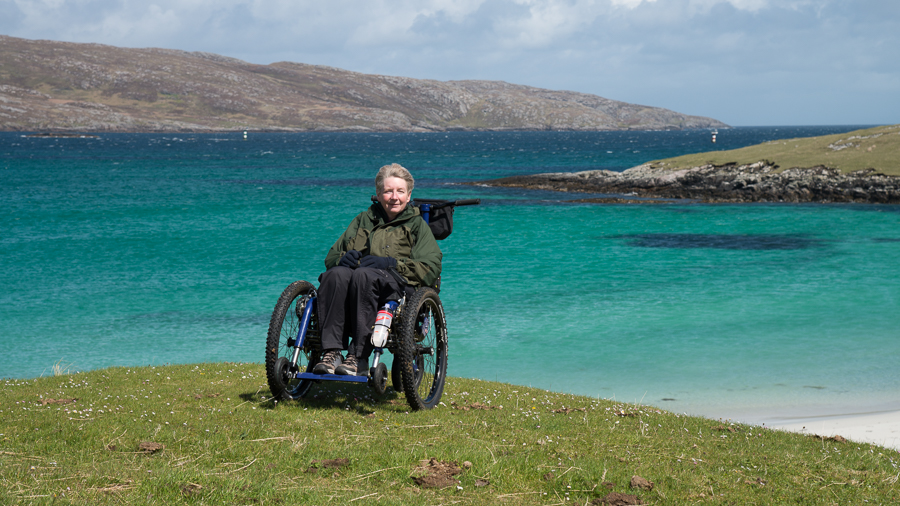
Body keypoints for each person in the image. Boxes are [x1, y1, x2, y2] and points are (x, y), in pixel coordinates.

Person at [312, 163, 442, 375]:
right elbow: (332, 257)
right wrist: (344, 259)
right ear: (378, 194)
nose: (394, 197)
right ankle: (332, 353)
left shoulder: (417, 225)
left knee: (364, 275)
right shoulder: (364, 219)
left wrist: (391, 264)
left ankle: (358, 356)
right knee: (334, 275)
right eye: (388, 191)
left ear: (409, 196)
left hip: (396, 286)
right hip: (358, 281)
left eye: (400, 191)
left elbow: (431, 267)